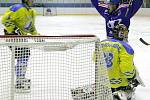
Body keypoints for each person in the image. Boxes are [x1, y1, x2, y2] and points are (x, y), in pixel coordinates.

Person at [98, 24, 144, 100]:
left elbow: (94, 59)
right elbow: (126, 70)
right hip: (118, 82)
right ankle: (120, 92)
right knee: (134, 71)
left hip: (103, 80)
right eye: (125, 33)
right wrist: (132, 77)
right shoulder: (126, 47)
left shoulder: (101, 43)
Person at [1, 0, 39, 92]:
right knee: (23, 55)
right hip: (12, 35)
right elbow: (5, 20)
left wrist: (36, 35)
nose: (33, 1)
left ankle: (20, 78)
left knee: (24, 55)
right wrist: (14, 30)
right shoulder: (18, 8)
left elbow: (30, 27)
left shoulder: (32, 11)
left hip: (22, 36)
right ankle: (19, 80)